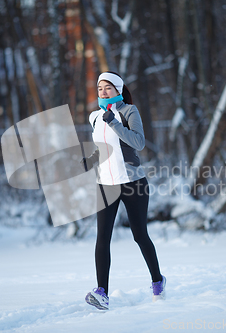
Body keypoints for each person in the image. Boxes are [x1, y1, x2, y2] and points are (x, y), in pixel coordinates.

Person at [80, 71, 166, 310]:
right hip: (106, 184)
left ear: (118, 90)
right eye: (99, 89)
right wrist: (90, 160)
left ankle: (158, 281)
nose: (103, 92)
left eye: (108, 88)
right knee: (102, 239)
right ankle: (102, 293)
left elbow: (138, 143)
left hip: (132, 182)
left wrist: (114, 122)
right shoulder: (95, 117)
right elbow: (104, 148)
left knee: (139, 235)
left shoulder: (129, 111)